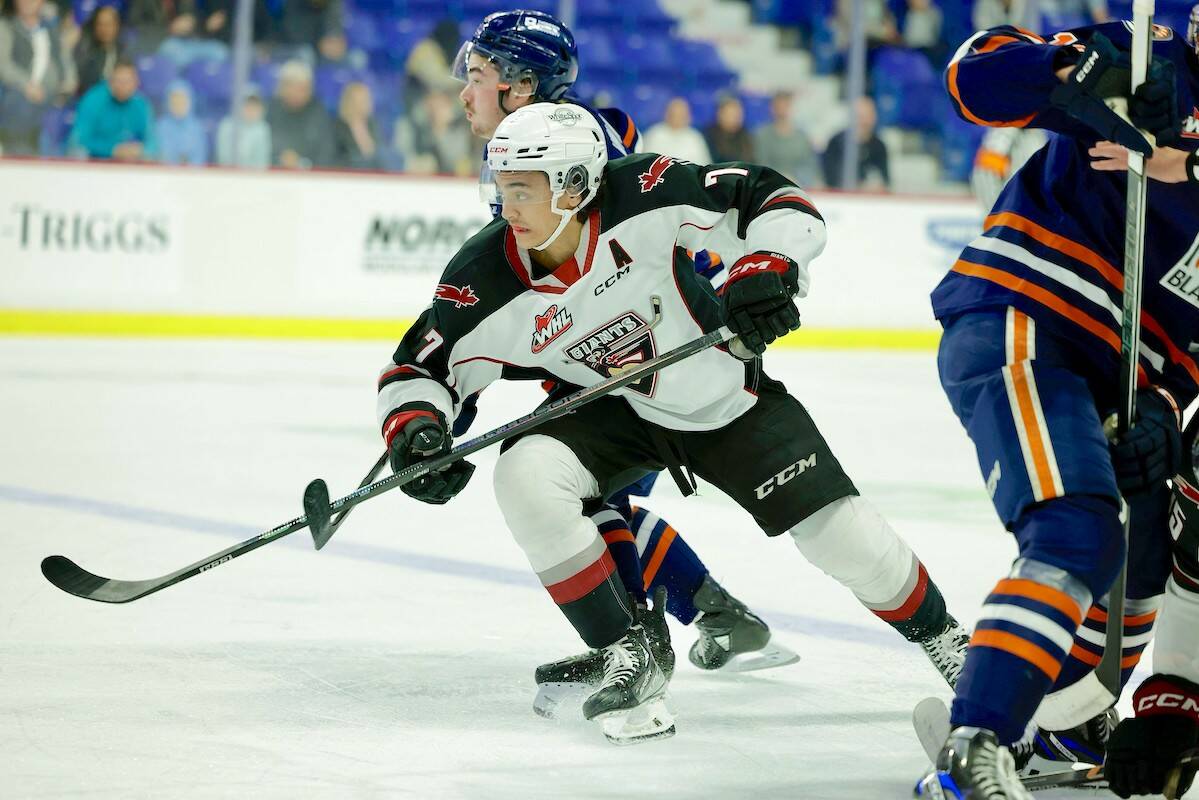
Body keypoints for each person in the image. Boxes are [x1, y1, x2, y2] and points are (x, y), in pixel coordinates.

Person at [375, 102, 972, 744]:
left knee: (839, 536)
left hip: (721, 400)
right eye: (501, 186)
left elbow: (770, 196)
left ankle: (950, 643)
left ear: (575, 184)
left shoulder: (646, 191)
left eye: (522, 188)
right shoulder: (480, 281)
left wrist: (765, 267)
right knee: (525, 471)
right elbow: (419, 371)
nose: (505, 205)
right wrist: (417, 432)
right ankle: (629, 651)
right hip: (617, 410)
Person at [450, 10, 801, 690]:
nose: (466, 93)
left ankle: (638, 646)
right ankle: (708, 616)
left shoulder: (577, 143)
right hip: (622, 347)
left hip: (656, 349)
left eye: (479, 77)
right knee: (587, 495)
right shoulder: (543, 140)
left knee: (580, 494)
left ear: (521, 86)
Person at [914, 14, 1199, 798]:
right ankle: (978, 742)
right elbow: (972, 79)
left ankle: (1060, 717)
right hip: (1030, 316)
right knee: (1074, 529)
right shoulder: (1149, 59)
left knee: (1141, 555)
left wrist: (1166, 404)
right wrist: (1072, 69)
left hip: (1131, 376)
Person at [0, 0, 75, 155]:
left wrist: (68, 83)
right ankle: (20, 158)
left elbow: (64, 58)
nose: (27, 2)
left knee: (69, 113)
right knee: (20, 106)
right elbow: (4, 65)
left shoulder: (52, 28)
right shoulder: (6, 26)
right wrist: (26, 85)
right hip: (19, 92)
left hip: (54, 93)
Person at [68, 56, 156, 161]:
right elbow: (79, 141)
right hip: (94, 164)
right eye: (119, 81)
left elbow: (153, 142)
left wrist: (140, 150)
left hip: (128, 167)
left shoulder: (141, 104)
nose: (123, 86)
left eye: (128, 81)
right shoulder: (93, 100)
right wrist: (112, 150)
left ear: (136, 83)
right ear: (110, 81)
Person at [266, 59, 334, 169]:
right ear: (283, 87)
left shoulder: (318, 112)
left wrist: (302, 163)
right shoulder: (270, 110)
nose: (299, 93)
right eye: (294, 87)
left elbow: (326, 151)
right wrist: (279, 159)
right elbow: (260, 148)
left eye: (304, 88)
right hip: (272, 175)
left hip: (312, 178)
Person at [752, 91, 819, 188]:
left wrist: (797, 178)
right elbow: (761, 163)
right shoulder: (762, 135)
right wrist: (781, 178)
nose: (782, 111)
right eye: (779, 107)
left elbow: (810, 165)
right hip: (769, 188)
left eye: (786, 106)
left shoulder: (802, 137)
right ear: (772, 109)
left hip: (800, 187)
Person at [821, 95, 889, 189]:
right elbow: (832, 181)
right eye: (860, 116)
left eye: (868, 116)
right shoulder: (836, 143)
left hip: (872, 201)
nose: (864, 121)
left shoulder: (879, 146)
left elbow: (885, 181)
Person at [643, 97, 712, 165]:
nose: (677, 118)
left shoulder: (695, 137)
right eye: (674, 114)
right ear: (666, 114)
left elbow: (704, 165)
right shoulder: (654, 135)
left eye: (681, 115)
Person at [73, 4, 122, 98]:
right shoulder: (86, 51)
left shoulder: (124, 51)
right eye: (100, 24)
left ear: (117, 26)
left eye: (108, 24)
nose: (104, 29)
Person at [216, 86, 271, 168]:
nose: (251, 110)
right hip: (228, 174)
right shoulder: (227, 125)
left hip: (254, 177)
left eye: (255, 106)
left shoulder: (262, 128)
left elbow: (262, 161)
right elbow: (223, 157)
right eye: (247, 105)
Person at [332, 81, 382, 170]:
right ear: (348, 102)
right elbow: (336, 159)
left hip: (373, 176)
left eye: (366, 100)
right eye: (359, 100)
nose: (363, 104)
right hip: (347, 176)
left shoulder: (372, 125)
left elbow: (378, 154)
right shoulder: (336, 127)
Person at [157, 79, 208, 165]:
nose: (179, 104)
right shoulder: (160, 126)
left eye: (183, 100)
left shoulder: (197, 127)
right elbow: (161, 155)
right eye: (175, 100)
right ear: (167, 102)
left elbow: (201, 156)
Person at [703, 92, 754, 163]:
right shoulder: (708, 136)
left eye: (738, 114)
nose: (735, 118)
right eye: (730, 114)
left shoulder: (746, 135)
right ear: (719, 114)